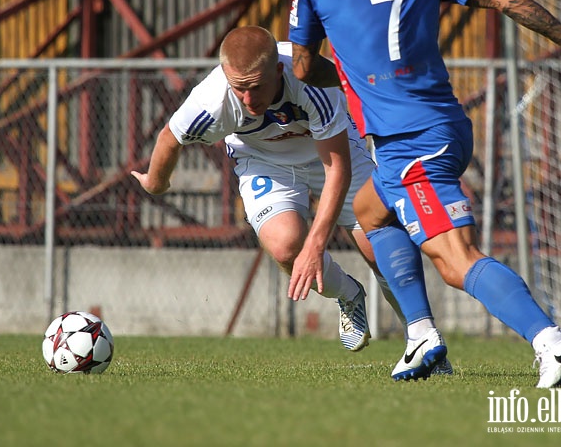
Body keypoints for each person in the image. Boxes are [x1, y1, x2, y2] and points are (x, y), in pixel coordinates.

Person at [287, 0, 561, 386]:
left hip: (412, 142)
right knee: (372, 210)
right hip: (445, 128)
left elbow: (304, 67)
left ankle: (549, 337)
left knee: (455, 261)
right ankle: (421, 334)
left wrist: (351, 72)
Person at [131, 26, 452, 370]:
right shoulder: (211, 102)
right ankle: (348, 294)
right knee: (285, 247)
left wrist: (317, 245)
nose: (249, 100)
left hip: (330, 154)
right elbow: (170, 137)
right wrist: (154, 181)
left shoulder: (311, 77)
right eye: (239, 89)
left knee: (382, 249)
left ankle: (422, 343)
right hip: (264, 161)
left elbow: (337, 169)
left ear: (280, 70)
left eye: (256, 87)